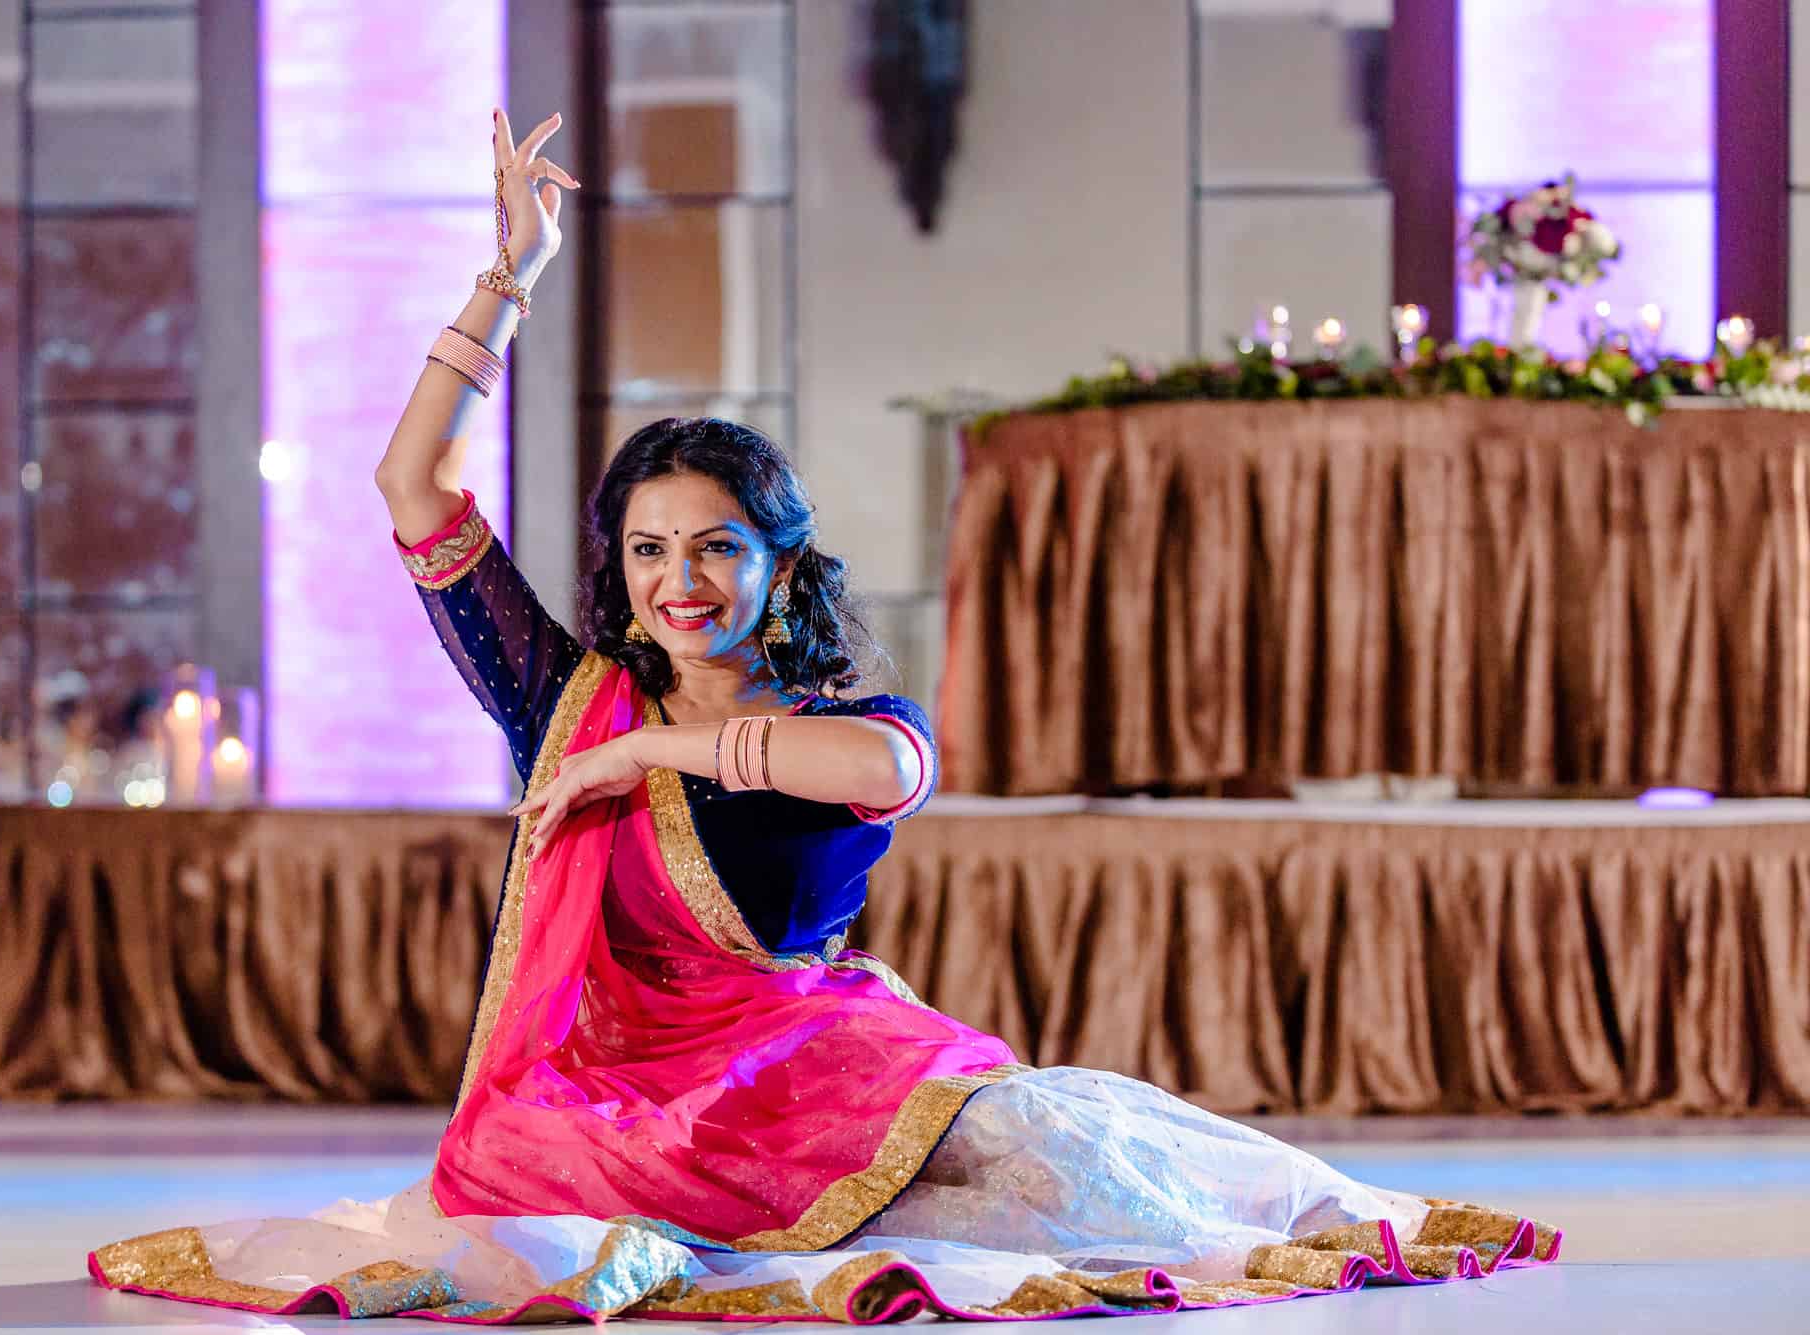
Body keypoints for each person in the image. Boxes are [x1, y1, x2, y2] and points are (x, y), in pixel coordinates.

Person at [89, 109, 1558, 1322]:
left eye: (717, 545)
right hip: (627, 1094)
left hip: (826, 1061)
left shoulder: (831, 719)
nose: (679, 581)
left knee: (1058, 1165)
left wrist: (651, 746)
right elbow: (414, 489)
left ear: (781, 558)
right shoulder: (563, 697)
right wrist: (508, 277)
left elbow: (880, 768)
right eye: (649, 550)